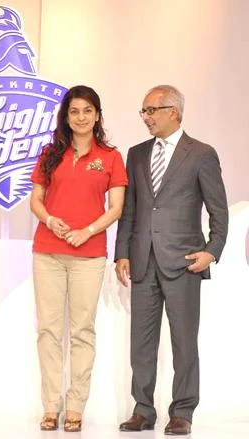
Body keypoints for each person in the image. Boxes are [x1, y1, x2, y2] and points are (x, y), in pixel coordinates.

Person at [115, 85, 228, 435]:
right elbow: (130, 209)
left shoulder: (202, 154)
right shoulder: (136, 154)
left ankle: (183, 411)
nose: (146, 117)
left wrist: (212, 251)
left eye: (151, 110)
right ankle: (142, 410)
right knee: (141, 342)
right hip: (143, 261)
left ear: (173, 112)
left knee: (184, 341)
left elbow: (219, 210)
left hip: (184, 262)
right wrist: (122, 252)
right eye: (143, 111)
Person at [30, 85, 127, 432]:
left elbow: (116, 208)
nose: (81, 117)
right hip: (47, 252)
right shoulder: (50, 153)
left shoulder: (111, 157)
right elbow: (36, 200)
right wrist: (48, 219)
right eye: (74, 111)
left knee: (82, 330)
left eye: (88, 110)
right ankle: (50, 406)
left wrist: (87, 231)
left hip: (88, 254)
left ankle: (75, 406)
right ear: (66, 116)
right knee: (48, 330)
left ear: (97, 115)